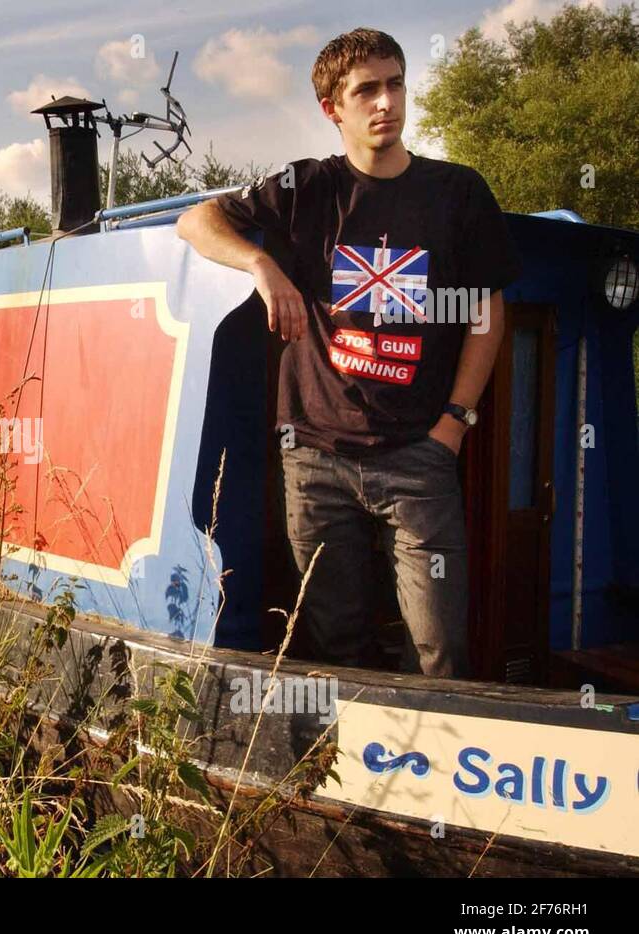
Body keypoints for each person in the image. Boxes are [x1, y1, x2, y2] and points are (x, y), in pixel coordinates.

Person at [175, 27, 522, 678]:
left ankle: (444, 771)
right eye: (367, 90)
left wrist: (455, 425)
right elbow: (196, 221)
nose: (386, 101)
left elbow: (487, 311)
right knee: (338, 648)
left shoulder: (458, 194)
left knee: (439, 649)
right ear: (333, 108)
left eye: (395, 84)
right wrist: (261, 265)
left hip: (421, 455)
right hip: (317, 461)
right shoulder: (307, 188)